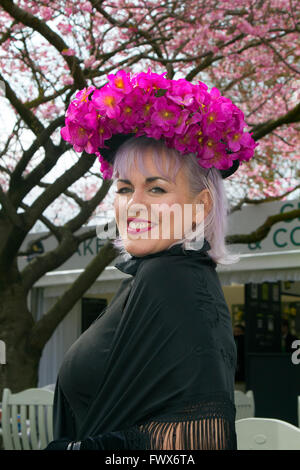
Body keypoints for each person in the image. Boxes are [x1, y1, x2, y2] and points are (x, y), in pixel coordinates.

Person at [45, 69, 257, 450]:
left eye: (156, 188)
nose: (134, 205)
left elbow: (196, 443)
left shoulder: (171, 279)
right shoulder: (160, 276)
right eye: (125, 188)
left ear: (200, 206)